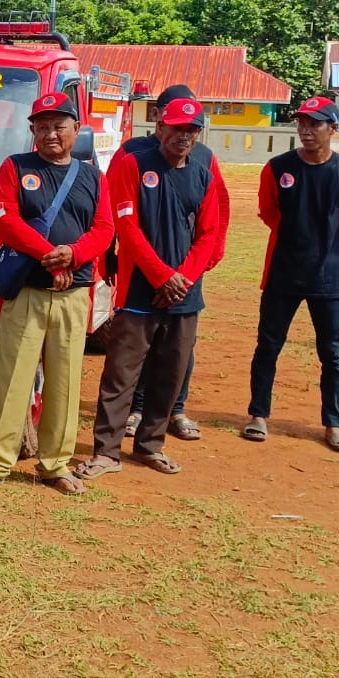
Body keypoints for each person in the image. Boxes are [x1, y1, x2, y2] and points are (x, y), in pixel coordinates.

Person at [0, 93, 113, 496]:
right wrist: (47, 254)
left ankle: (56, 464)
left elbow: (104, 229)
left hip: (73, 292)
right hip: (29, 291)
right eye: (43, 126)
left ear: (76, 130)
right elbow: (3, 218)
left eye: (59, 125)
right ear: (32, 131)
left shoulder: (92, 176)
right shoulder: (16, 166)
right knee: (11, 377)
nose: (51, 133)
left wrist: (73, 256)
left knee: (65, 382)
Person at [74, 96, 225, 479]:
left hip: (184, 296)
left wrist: (183, 280)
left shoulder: (202, 171)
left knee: (170, 374)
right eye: (176, 128)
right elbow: (127, 227)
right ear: (159, 127)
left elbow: (209, 233)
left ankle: (150, 445)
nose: (184, 136)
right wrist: (162, 277)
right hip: (140, 291)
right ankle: (107, 452)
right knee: (120, 375)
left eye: (191, 130)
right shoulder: (133, 164)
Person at [243, 97, 339, 453]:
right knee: (268, 346)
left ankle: (334, 423)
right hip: (283, 271)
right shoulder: (276, 167)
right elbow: (269, 211)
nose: (306, 130)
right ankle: (258, 415)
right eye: (302, 123)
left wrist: (322, 245)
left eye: (315, 124)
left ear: (333, 128)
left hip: (330, 275)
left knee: (333, 353)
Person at [125, 84, 231, 440]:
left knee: (182, 346)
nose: (182, 130)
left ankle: (177, 409)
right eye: (172, 117)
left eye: (190, 124)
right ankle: (137, 409)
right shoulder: (133, 155)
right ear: (158, 118)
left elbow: (218, 213)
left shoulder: (204, 158)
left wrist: (199, 266)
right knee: (141, 342)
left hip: (188, 270)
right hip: (143, 270)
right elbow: (118, 213)